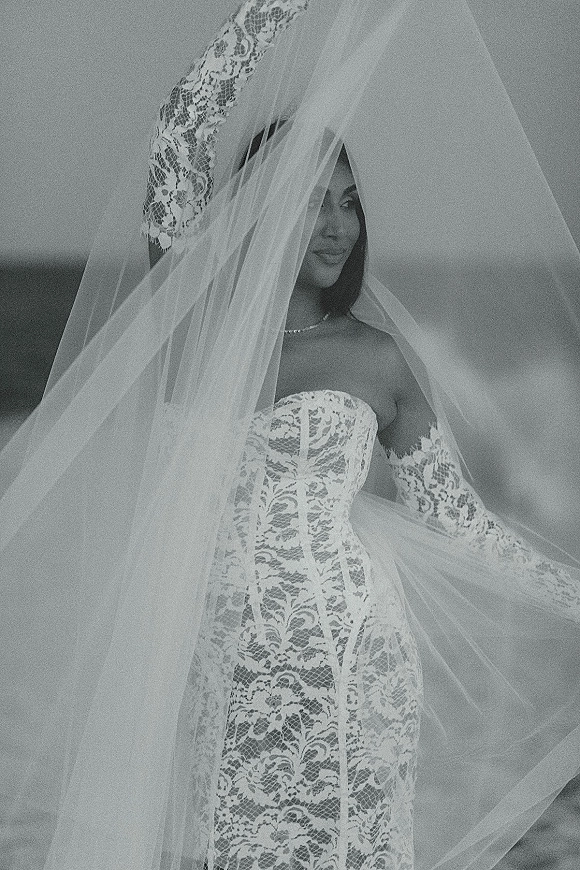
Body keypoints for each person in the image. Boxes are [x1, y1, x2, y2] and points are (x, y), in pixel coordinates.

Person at [1, 1, 580, 869]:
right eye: (311, 205)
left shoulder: (376, 359)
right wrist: (279, 5)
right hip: (212, 658)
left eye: (347, 203)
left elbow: (461, 524)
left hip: (347, 653)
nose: (338, 226)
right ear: (257, 213)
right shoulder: (196, 321)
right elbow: (181, 127)